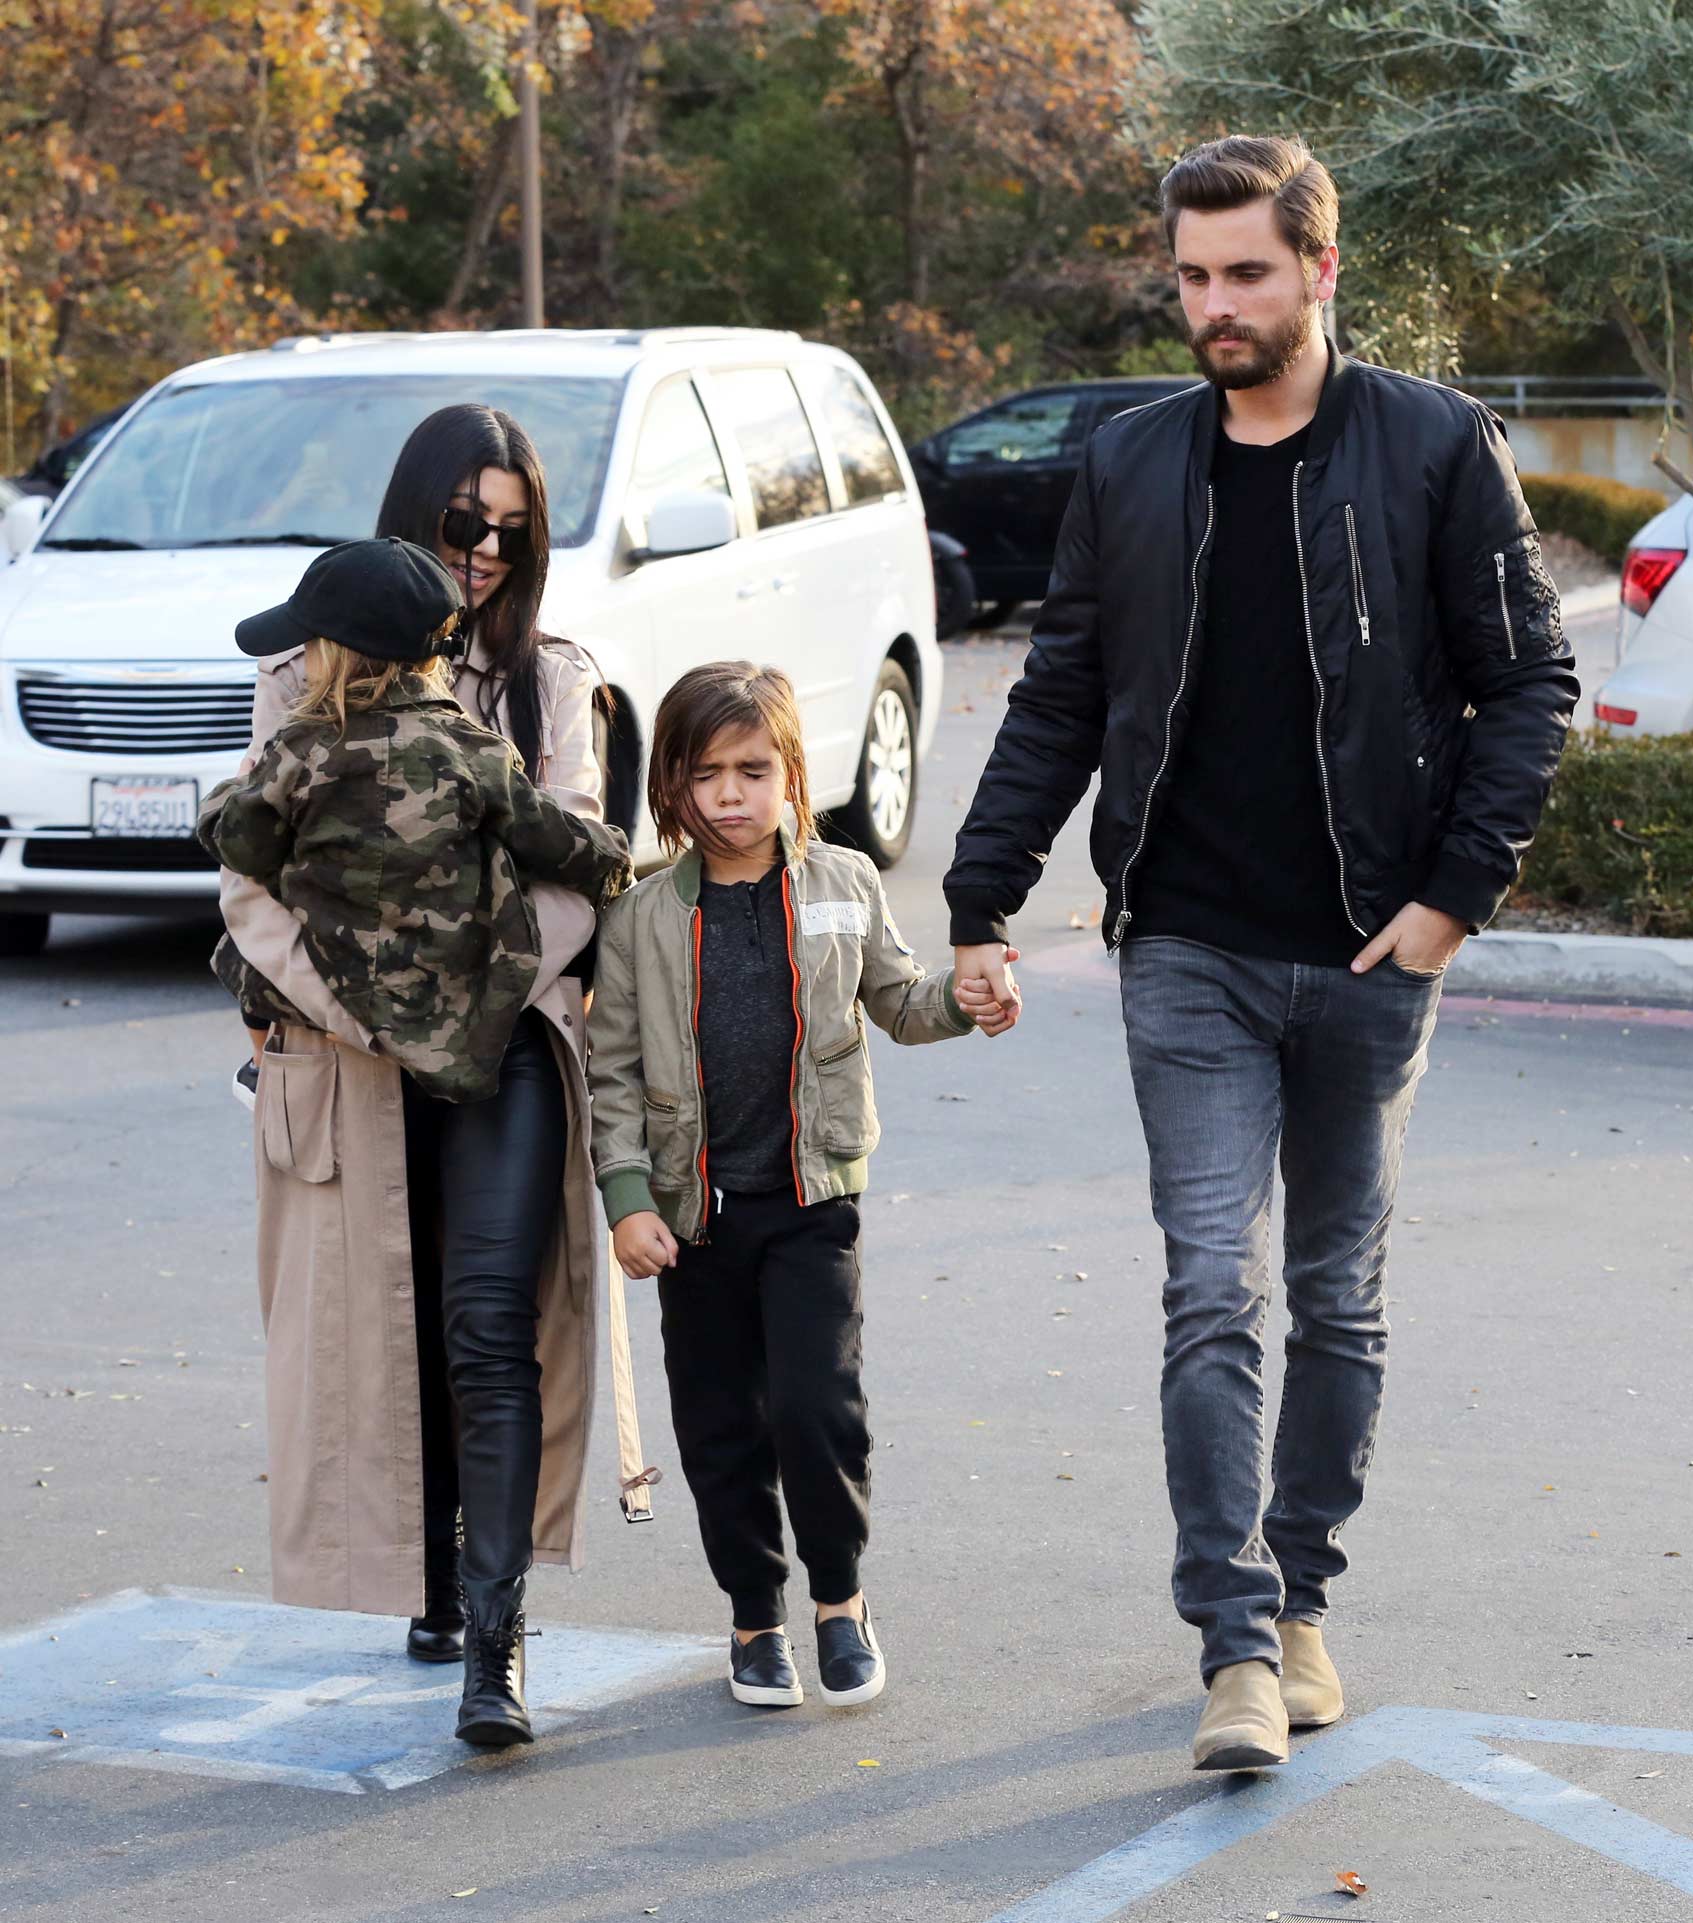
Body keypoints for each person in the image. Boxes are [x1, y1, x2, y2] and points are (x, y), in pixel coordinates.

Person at [944, 136, 1579, 1771]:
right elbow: (1064, 691)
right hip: (1191, 952)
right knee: (1208, 1292)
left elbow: (1530, 686)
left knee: (1337, 1300)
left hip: (1373, 953)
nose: (1215, 305)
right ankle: (1234, 1643)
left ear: (1318, 271)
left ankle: (1303, 1596)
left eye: (1246, 273)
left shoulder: (1436, 447)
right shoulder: (1136, 460)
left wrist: (1451, 899)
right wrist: (980, 890)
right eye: (1193, 276)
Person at [213, 405, 657, 1750]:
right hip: (347, 1051)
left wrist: (469, 1007)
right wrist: (361, 1010)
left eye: (512, 528)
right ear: (416, 515)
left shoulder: (555, 678)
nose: (486, 548)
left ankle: (494, 1636)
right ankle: (426, 1574)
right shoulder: (300, 677)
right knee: (390, 1323)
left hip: (504, 1044)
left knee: (486, 1322)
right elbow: (249, 883)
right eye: (465, 520)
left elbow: (579, 867)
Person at [589, 662, 1000, 1710]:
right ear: (672, 786)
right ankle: (755, 1618)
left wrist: (963, 1000)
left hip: (815, 1206)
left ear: (792, 776)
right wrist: (630, 1199)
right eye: (706, 773)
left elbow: (901, 1003)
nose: (730, 793)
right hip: (696, 1222)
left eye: (753, 770)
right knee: (720, 1428)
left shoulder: (844, 883)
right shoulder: (639, 917)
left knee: (820, 1410)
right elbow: (616, 1072)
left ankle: (840, 1602)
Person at [201, 537, 632, 1106]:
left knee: (238, 955)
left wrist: (234, 787)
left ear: (333, 653)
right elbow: (565, 846)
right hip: (455, 988)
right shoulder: (474, 752)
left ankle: (262, 1064)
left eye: (309, 641)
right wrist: (612, 860)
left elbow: (243, 845)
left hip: (332, 978)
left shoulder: (298, 753)